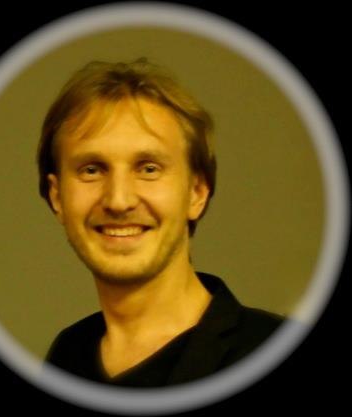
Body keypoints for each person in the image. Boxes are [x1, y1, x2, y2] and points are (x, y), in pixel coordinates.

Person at [37, 58, 284, 387]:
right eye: (92, 170)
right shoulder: (67, 359)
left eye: (148, 168)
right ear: (57, 197)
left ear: (196, 193)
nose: (119, 200)